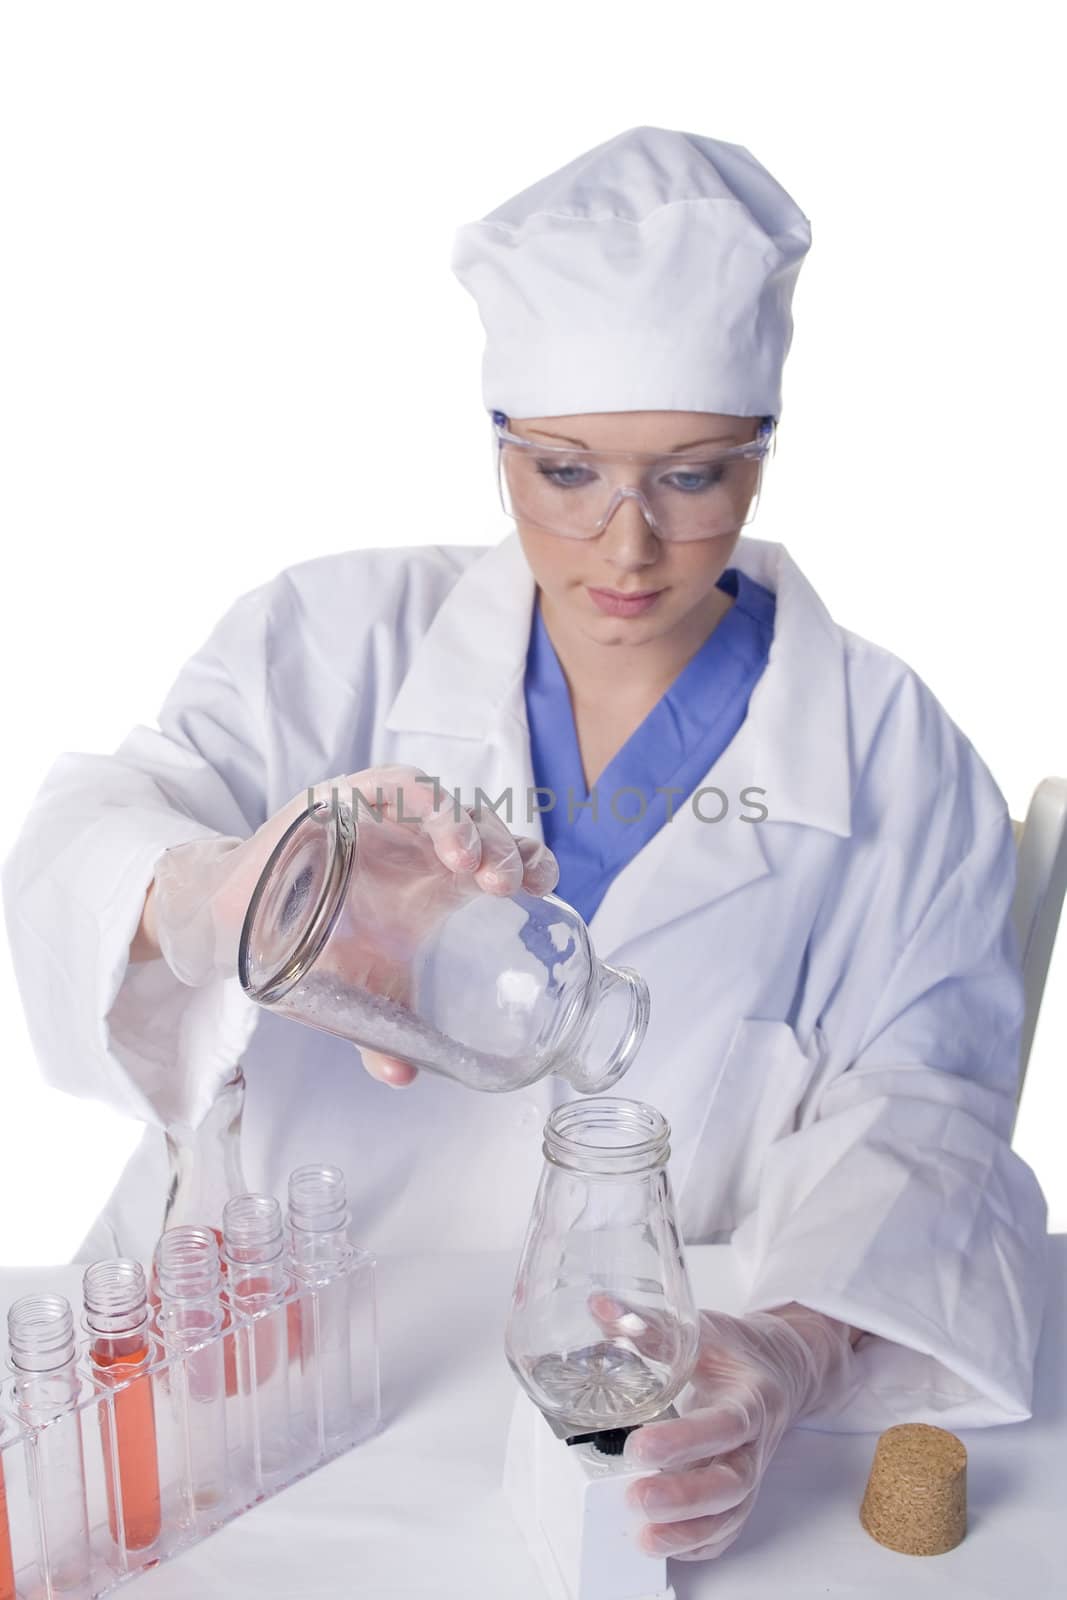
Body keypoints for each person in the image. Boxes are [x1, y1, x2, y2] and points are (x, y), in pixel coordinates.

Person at [1, 125, 1047, 1564]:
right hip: (254, 1386)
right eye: (565, 473)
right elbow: (76, 841)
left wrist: (792, 1351)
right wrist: (216, 893)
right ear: (500, 445)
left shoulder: (890, 746)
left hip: (611, 1428)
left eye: (689, 478)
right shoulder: (328, 639)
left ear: (761, 458)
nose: (625, 547)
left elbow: (930, 1101)